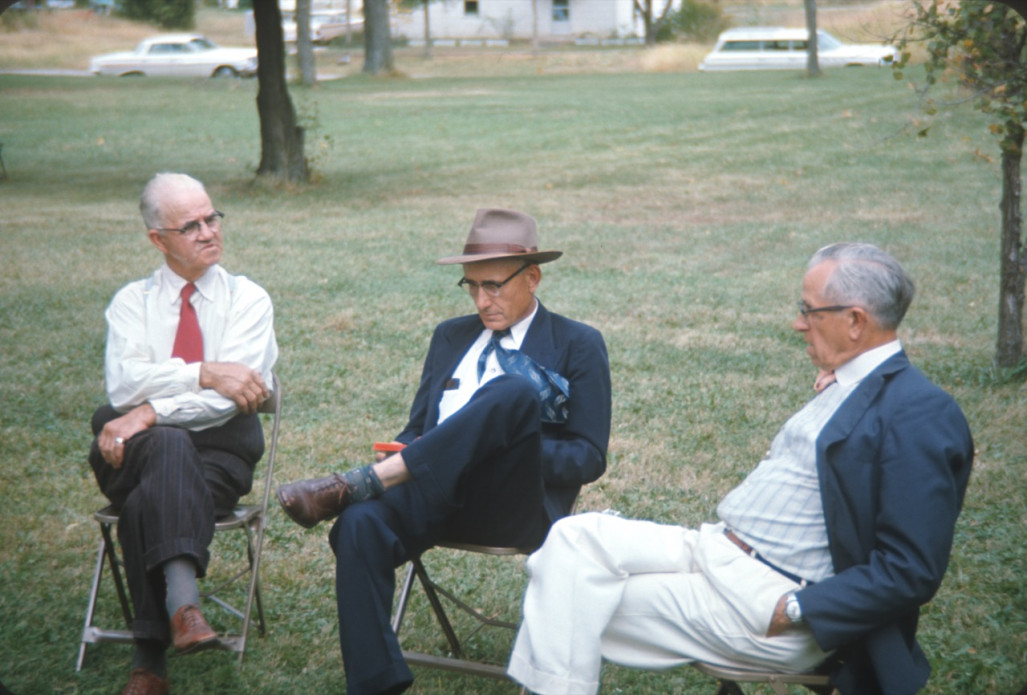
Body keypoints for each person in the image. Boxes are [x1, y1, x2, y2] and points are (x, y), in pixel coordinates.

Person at [506, 242, 974, 695]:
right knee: (571, 538)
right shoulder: (852, 383)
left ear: (855, 322)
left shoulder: (920, 414)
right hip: (716, 550)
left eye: (809, 311)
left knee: (564, 597)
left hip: (766, 596)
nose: (797, 323)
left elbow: (910, 569)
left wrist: (796, 608)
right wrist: (842, 383)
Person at [276, 208, 612, 695]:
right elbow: (418, 429)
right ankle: (377, 684)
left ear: (533, 276)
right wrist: (412, 450)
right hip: (432, 494)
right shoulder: (450, 337)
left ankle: (360, 484)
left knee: (513, 392)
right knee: (358, 524)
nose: (482, 299)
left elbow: (587, 456)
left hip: (512, 504)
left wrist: (499, 448)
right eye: (471, 286)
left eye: (494, 285)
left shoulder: (577, 343)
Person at [88, 173, 278, 695]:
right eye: (189, 225)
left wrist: (146, 414)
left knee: (154, 483)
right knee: (167, 450)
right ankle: (184, 606)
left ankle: (149, 661)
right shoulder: (133, 302)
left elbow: (228, 399)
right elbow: (123, 382)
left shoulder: (248, 300)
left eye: (212, 218)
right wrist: (203, 371)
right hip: (127, 453)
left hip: (217, 457)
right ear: (158, 239)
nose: (207, 232)